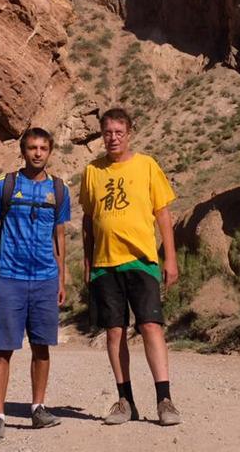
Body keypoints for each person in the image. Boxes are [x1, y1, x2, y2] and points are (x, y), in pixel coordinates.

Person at [80, 107, 181, 427]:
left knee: (151, 326)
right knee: (114, 331)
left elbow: (163, 214)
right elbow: (87, 221)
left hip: (142, 259)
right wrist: (87, 261)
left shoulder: (147, 165)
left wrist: (170, 258)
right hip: (104, 263)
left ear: (129, 133)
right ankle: (125, 402)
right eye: (107, 132)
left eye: (118, 132)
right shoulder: (92, 171)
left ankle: (164, 400)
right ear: (102, 134)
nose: (113, 138)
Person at [0, 127, 70, 443]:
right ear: (23, 151)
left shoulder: (59, 190)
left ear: (49, 151)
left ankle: (38, 409)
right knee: (3, 348)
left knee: (41, 346)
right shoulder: (5, 186)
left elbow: (60, 235)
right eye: (32, 147)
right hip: (10, 278)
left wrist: (62, 277)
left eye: (43, 148)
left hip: (45, 279)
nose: (37, 153)